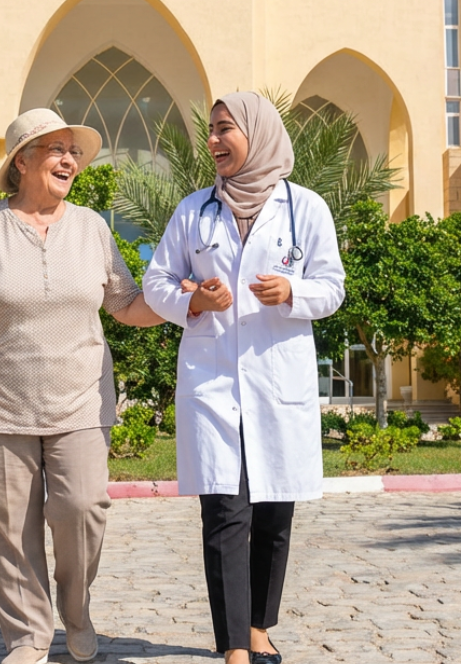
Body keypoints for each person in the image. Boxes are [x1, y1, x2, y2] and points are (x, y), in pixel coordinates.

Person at [0, 107, 165, 664]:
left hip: (80, 400)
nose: (70, 160)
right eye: (56, 149)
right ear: (22, 161)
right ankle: (28, 637)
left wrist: (182, 300)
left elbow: (125, 304)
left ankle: (77, 612)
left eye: (74, 152)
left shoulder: (92, 228)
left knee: (83, 508)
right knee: (9, 528)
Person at [142, 92, 345, 664]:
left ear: (257, 135)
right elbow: (158, 283)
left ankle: (259, 627)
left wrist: (293, 292)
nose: (212, 141)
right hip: (213, 384)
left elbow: (332, 287)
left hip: (278, 384)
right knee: (225, 514)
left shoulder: (304, 208)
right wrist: (197, 301)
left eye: (224, 129)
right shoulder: (194, 210)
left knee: (275, 512)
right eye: (210, 131)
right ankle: (234, 644)